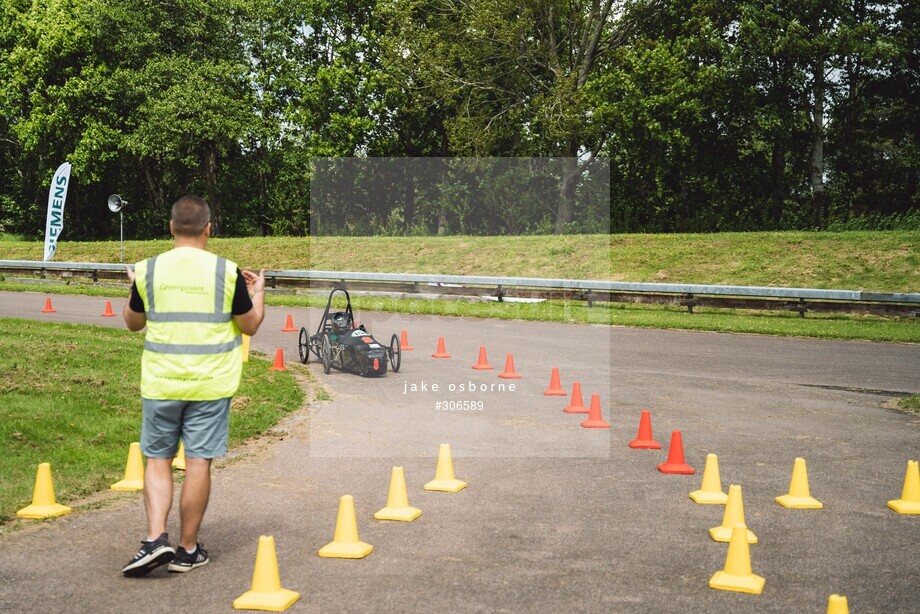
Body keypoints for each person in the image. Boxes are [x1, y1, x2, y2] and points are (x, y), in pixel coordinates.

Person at [120, 195, 265, 577]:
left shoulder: (148, 270)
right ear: (208, 228)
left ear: (171, 228)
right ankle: (187, 550)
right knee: (198, 463)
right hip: (211, 384)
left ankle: (154, 540)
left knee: (158, 460)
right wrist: (260, 293)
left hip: (161, 383)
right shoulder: (227, 271)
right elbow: (249, 325)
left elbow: (133, 323)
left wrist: (135, 288)